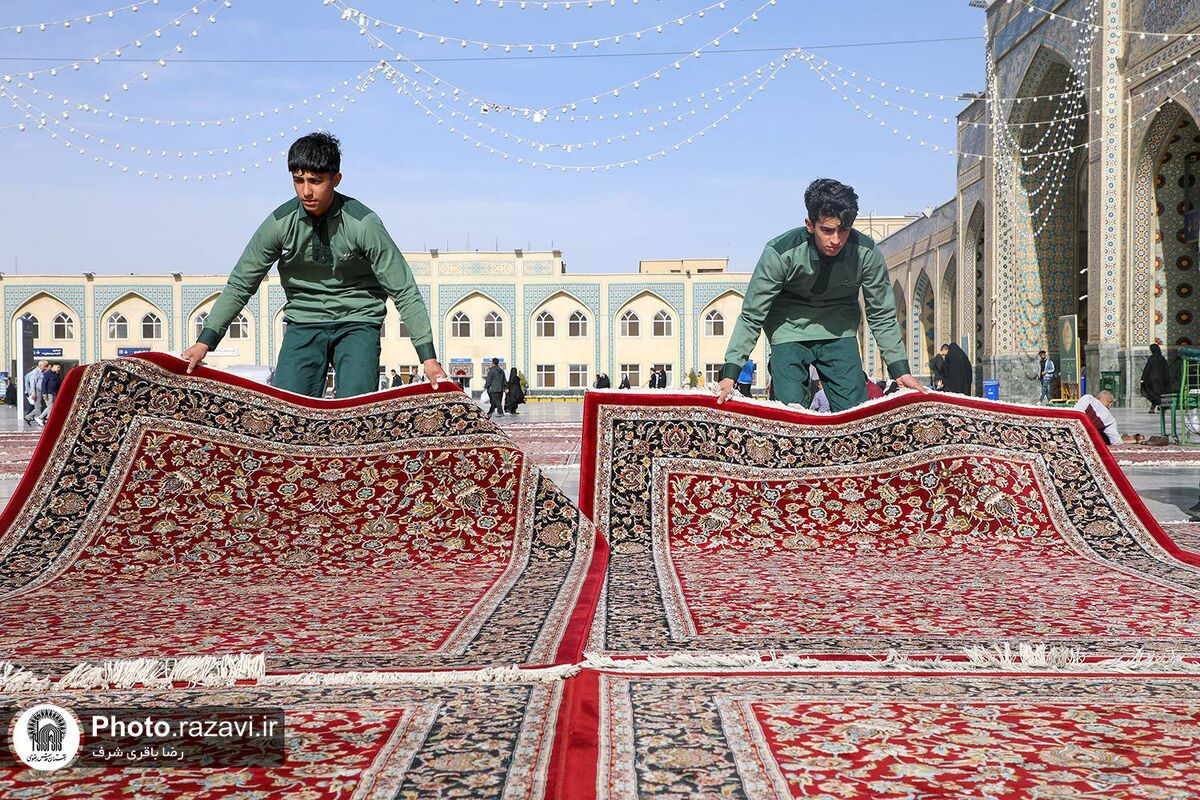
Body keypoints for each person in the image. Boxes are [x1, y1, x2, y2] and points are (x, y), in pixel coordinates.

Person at [180, 132, 446, 397]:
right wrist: (205, 341)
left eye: (316, 181)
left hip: (358, 321)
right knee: (288, 410)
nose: (306, 191)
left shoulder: (364, 224)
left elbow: (404, 289)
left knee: (356, 408)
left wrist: (428, 357)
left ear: (336, 179)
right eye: (299, 180)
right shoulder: (279, 223)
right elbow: (241, 283)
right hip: (303, 322)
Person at [717, 179, 924, 411]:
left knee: (855, 413)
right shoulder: (780, 253)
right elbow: (752, 315)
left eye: (844, 230)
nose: (836, 240)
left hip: (839, 331)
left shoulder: (865, 253)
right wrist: (731, 371)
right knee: (790, 413)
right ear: (809, 224)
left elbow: (881, 314)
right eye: (827, 230)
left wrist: (900, 370)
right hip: (788, 331)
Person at [1140, 343, 1172, 413]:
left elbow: (1147, 369)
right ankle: (1155, 408)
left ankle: (1158, 406)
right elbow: (1166, 370)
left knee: (1153, 395)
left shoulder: (1152, 358)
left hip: (1152, 381)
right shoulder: (1162, 358)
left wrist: (1143, 378)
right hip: (1161, 381)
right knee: (1158, 395)